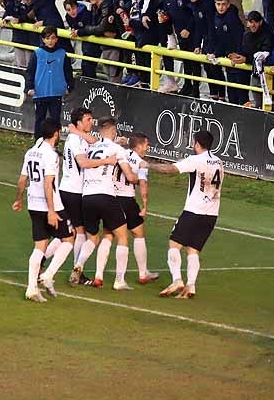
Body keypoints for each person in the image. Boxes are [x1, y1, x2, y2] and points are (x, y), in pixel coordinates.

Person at [146, 130, 223, 299]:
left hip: (194, 211)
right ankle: (191, 286)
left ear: (196, 144)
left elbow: (170, 169)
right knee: (193, 250)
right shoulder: (218, 161)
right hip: (211, 214)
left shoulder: (196, 160)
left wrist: (148, 165)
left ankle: (177, 280)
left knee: (174, 245)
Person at [11, 119, 78, 303]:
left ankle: (32, 288)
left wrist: (18, 199)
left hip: (33, 205)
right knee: (69, 238)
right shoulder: (51, 155)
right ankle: (48, 275)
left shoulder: (31, 152)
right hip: (52, 206)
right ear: (56, 133)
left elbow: (22, 180)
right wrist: (51, 210)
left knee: (40, 246)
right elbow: (48, 183)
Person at [69, 117, 138, 291]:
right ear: (114, 132)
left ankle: (79, 264)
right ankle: (119, 281)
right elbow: (129, 176)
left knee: (93, 237)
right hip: (106, 196)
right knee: (123, 236)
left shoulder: (92, 147)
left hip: (87, 197)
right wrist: (139, 178)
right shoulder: (117, 149)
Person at [92, 133, 159, 287]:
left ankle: (98, 276)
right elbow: (142, 183)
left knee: (108, 235)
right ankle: (142, 273)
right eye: (146, 145)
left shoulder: (118, 152)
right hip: (127, 200)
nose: (147, 148)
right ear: (140, 145)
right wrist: (144, 205)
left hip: (111, 198)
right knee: (138, 234)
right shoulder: (141, 162)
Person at [58, 108, 98, 282]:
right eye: (88, 119)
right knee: (79, 232)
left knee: (69, 233)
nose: (92, 122)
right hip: (74, 191)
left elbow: (95, 141)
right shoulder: (76, 140)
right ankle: (77, 271)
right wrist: (103, 162)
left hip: (67, 188)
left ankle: (43, 261)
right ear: (79, 123)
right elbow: (82, 162)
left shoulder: (76, 137)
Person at [26, 27, 74, 140]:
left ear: (57, 39)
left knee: (55, 120)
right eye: (47, 38)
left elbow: (68, 71)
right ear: (43, 39)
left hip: (56, 93)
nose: (50, 41)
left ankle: (54, 143)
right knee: (40, 119)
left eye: (53, 38)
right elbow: (30, 71)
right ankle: (38, 143)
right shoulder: (37, 53)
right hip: (40, 92)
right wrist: (29, 87)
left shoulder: (62, 54)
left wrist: (69, 86)